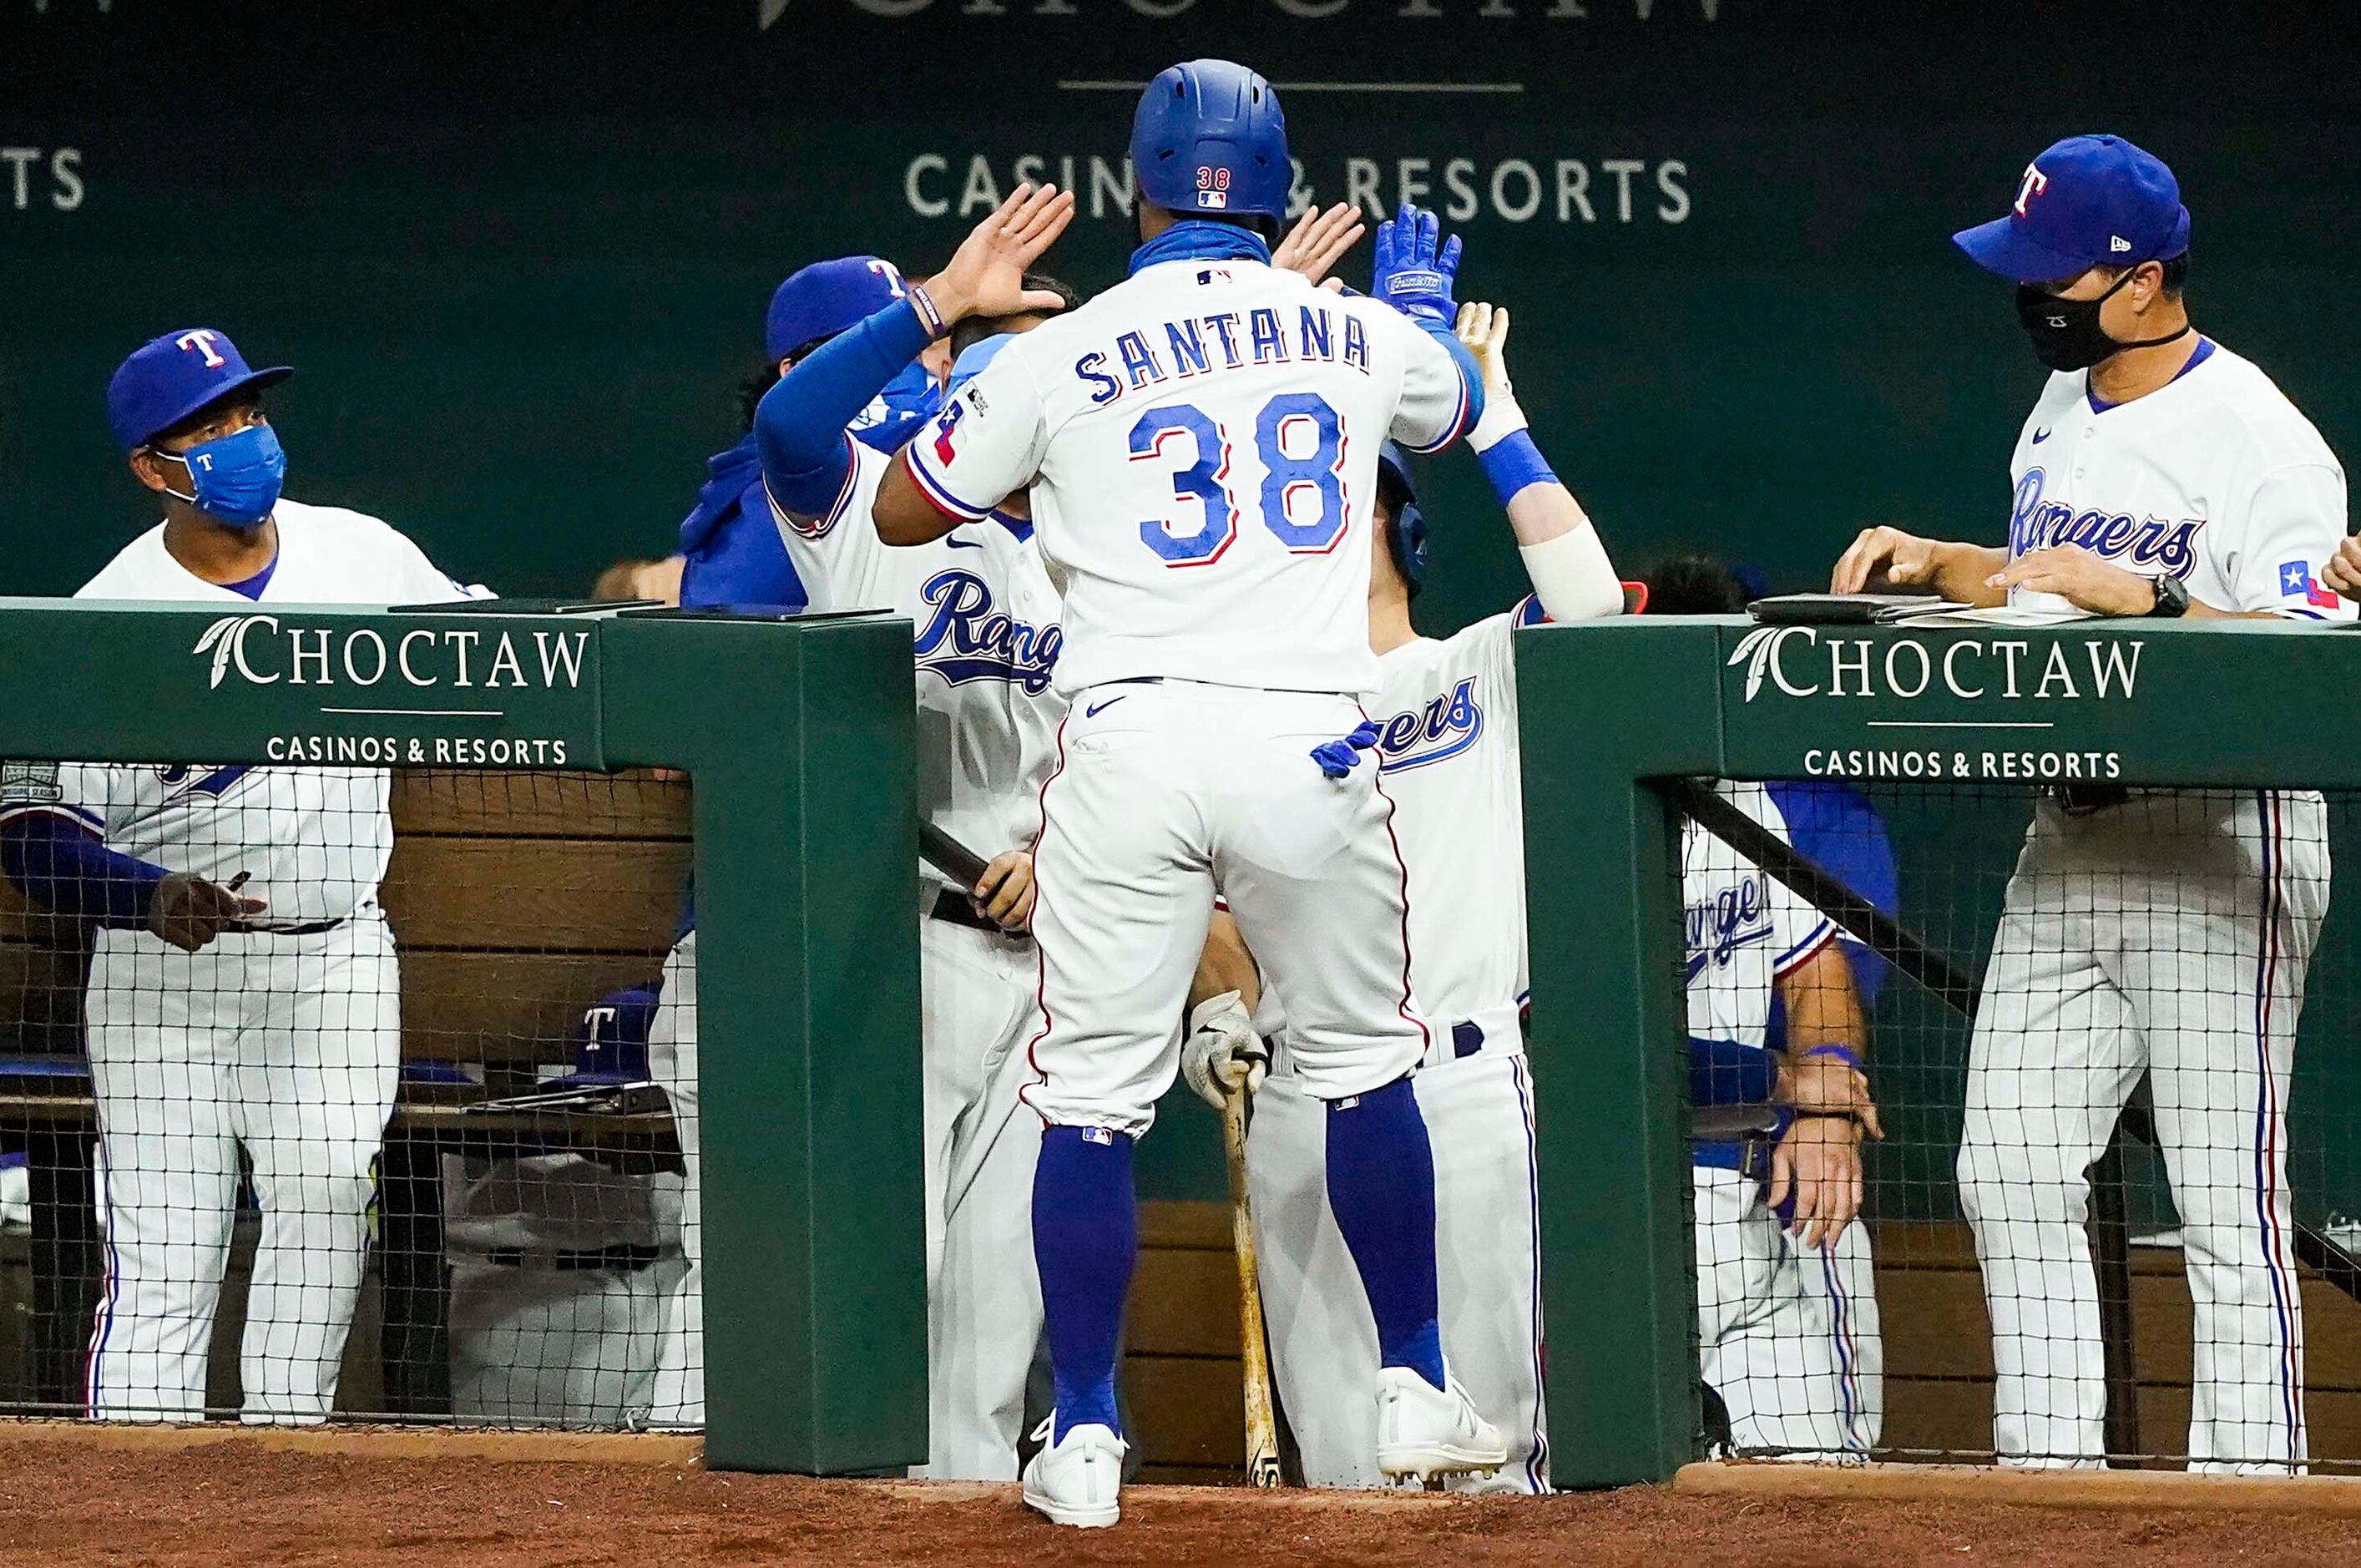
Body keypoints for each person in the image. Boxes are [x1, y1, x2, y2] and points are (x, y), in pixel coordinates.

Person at [865, 60, 1497, 1526]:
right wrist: (1398, 321)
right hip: (1307, 741)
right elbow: (1454, 409)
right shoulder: (1344, 329)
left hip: (1130, 745)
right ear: (1273, 189)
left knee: (1085, 1100)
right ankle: (1412, 1376)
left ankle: (1081, 1432)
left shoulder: (1062, 345)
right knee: (1358, 1063)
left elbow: (902, 506)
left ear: (1140, 184)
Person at [1832, 134, 2351, 1469]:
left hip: (2219, 835)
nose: (2034, 295)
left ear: (2144, 282)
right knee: (2002, 1168)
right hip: (2070, 835)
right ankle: (2048, 1491)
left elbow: (2313, 668)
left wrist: (2167, 607)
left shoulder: (2262, 439)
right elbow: (2048, 579)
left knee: (2225, 1208)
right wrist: (1943, 561)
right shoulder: (2060, 409)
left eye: (2057, 272)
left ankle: (2250, 1506)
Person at [0, 327, 483, 1423]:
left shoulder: (365, 554)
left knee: (319, 1222)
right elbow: (29, 828)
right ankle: (132, 1509)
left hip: (334, 959)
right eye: (207, 428)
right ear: (150, 468)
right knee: (167, 1260)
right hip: (163, 976)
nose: (240, 440)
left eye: (247, 413)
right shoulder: (105, 615)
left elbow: (496, 672)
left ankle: (287, 1477)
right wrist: (145, 895)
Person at [1186, 299, 1620, 1494]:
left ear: (1397, 527)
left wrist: (1496, 412)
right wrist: (1219, 1011)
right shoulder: (1236, 707)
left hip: (1463, 1093)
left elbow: (1588, 604)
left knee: (1497, 1468)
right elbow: (1210, 911)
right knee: (1342, 1480)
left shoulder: (1471, 666)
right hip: (1301, 1109)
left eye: (1350, 496)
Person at [742, 245, 1072, 1479]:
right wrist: (931, 301)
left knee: (998, 1328)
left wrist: (1062, 849)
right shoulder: (864, 507)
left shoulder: (1088, 544)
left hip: (1048, 959)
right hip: (905, 945)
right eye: (941, 355)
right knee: (889, 1292)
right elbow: (786, 417)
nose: (949, 374)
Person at [638, 255, 942, 1430]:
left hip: (817, 931)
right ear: (804, 372)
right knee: (750, 1275)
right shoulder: (791, 493)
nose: (923, 369)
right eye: (898, 346)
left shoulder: (813, 489)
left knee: (778, 1271)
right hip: (765, 940)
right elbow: (707, 705)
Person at [1644, 557, 1890, 1462]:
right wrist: (1790, 1077)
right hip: (1618, 1207)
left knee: (1814, 1491)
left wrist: (1828, 1098)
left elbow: (1816, 975)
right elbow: (1580, 1046)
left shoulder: (1752, 801)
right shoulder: (1548, 819)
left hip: (1762, 1188)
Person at [443, 988, 685, 1426]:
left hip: (637, 1306)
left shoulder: (705, 1165)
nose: (602, 1119)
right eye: (594, 1099)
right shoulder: (520, 1171)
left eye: (618, 1103)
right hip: (515, 1310)